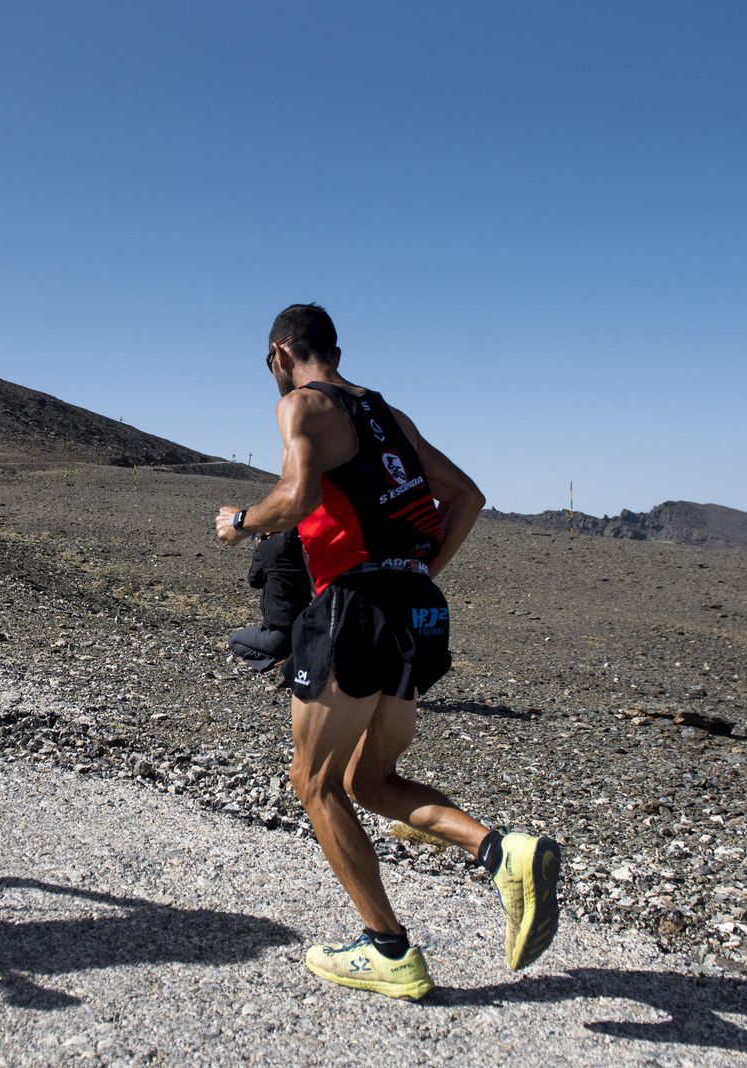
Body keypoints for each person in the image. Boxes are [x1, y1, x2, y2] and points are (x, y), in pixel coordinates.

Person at [213, 303, 559, 1000]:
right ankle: (502, 851)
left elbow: (297, 495)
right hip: (414, 611)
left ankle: (388, 949)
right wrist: (419, 570)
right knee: (370, 783)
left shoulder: (303, 406)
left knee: (312, 783)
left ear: (282, 352)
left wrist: (240, 522)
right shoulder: (384, 412)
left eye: (269, 365)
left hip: (352, 609)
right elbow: (467, 496)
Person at [229, 527, 312, 672]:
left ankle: (275, 663)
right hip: (305, 632)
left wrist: (261, 547)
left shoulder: (267, 548)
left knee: (235, 640)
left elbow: (254, 580)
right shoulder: (303, 549)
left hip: (278, 634)